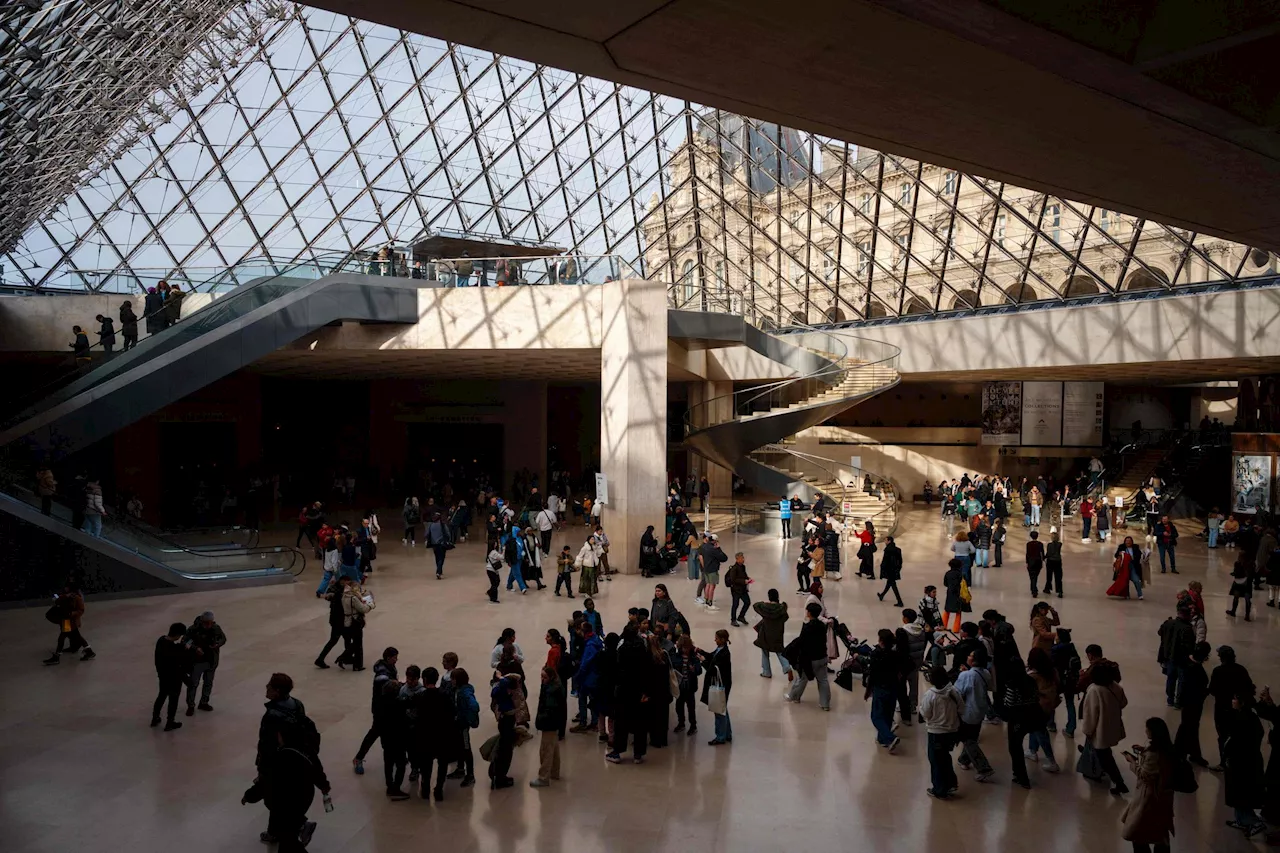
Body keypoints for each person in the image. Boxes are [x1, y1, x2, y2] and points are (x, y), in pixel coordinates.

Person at [243, 690, 331, 852]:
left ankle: (298, 828)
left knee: (288, 841)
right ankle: (288, 829)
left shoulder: (281, 757)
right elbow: (316, 769)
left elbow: (266, 782)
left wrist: (249, 796)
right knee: (287, 834)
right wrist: (324, 785)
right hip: (304, 796)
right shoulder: (305, 750)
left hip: (288, 799)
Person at [1120, 718, 1177, 852]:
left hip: (1149, 798)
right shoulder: (1167, 748)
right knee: (1160, 832)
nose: (1145, 731)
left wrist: (1132, 761)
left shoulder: (1153, 754)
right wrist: (1144, 750)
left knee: (1139, 834)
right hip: (1163, 796)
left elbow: (1145, 775)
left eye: (1147, 729)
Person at [404, 666, 456, 801]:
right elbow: (452, 713)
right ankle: (439, 789)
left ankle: (425, 789)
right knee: (442, 764)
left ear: (424, 680)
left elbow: (408, 710)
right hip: (442, 735)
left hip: (424, 736)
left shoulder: (419, 696)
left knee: (426, 765)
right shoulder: (444, 695)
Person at [1223, 691, 1268, 838]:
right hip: (1245, 760)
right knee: (1238, 792)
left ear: (1242, 702)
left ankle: (1252, 821)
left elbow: (1238, 740)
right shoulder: (1247, 716)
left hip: (1243, 762)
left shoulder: (1244, 719)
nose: (1232, 701)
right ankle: (1241, 819)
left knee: (1241, 792)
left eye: (1235, 699)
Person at [1081, 662, 1130, 794]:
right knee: (1104, 752)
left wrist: (1087, 731)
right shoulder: (1116, 686)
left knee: (1104, 755)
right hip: (1112, 725)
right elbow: (1123, 703)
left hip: (1099, 729)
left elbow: (1090, 714)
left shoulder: (1094, 690)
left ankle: (1119, 782)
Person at [352, 647, 398, 778]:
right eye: (394, 657)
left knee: (389, 732)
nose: (396, 660)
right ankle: (358, 758)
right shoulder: (382, 674)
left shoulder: (389, 667)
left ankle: (393, 756)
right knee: (375, 733)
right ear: (388, 658)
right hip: (381, 709)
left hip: (386, 707)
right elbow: (387, 684)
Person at [1208, 645, 1254, 772]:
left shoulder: (1218, 671)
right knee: (1238, 735)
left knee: (1223, 736)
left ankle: (1224, 762)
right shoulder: (1241, 670)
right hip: (1238, 709)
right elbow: (1249, 687)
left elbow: (1212, 690)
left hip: (1222, 709)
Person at [920, 665, 962, 798]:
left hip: (935, 733)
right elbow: (962, 708)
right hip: (951, 731)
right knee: (945, 757)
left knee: (935, 761)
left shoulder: (930, 694)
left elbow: (925, 713)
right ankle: (950, 783)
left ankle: (939, 789)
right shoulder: (954, 691)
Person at [954, 647, 995, 782]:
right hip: (980, 709)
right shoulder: (985, 673)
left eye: (971, 655)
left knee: (967, 738)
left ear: (975, 660)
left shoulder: (966, 676)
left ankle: (983, 768)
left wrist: (963, 674)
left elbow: (958, 692)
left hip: (968, 711)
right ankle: (964, 759)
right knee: (972, 735)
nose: (968, 657)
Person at [784, 602, 831, 711]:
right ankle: (825, 704)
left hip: (810, 659)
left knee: (802, 678)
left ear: (809, 613)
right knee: (823, 680)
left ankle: (794, 697)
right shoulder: (822, 626)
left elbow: (802, 642)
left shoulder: (807, 627)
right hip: (822, 656)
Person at [863, 629, 902, 752]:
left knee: (876, 716)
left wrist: (868, 690)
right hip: (893, 687)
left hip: (881, 687)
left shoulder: (876, 654)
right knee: (888, 714)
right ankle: (882, 739)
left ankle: (890, 738)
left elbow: (873, 674)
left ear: (881, 640)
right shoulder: (896, 654)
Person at [1175, 641, 1211, 767]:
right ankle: (1184, 754)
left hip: (1188, 702)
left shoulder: (1186, 662)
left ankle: (1186, 753)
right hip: (1193, 703)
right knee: (1189, 727)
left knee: (1188, 726)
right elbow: (1194, 688)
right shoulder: (1194, 670)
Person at [530, 665, 566, 788]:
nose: (542, 679)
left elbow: (549, 709)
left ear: (550, 677)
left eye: (544, 677)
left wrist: (541, 719)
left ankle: (543, 777)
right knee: (554, 748)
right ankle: (554, 772)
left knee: (545, 750)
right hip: (555, 723)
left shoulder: (551, 691)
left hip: (549, 723)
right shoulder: (555, 687)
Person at [183, 610, 226, 715]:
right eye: (206, 623)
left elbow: (223, 639)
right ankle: (191, 705)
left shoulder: (216, 628)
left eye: (210, 622)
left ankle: (204, 702)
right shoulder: (193, 629)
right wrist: (195, 648)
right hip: (197, 662)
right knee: (193, 684)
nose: (208, 625)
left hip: (211, 661)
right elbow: (185, 642)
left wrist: (217, 644)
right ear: (201, 621)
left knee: (208, 683)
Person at [43, 581, 95, 665]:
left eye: (67, 587)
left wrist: (71, 613)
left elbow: (81, 610)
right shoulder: (66, 595)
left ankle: (56, 657)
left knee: (62, 638)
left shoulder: (77, 597)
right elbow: (58, 602)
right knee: (77, 637)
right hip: (67, 621)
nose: (65, 588)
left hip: (69, 621)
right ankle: (89, 652)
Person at [151, 622, 190, 731]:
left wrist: (180, 647)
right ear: (178, 634)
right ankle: (170, 722)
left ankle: (155, 717)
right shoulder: (175, 651)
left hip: (162, 676)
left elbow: (171, 648)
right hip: (174, 679)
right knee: (173, 700)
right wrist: (184, 649)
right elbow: (179, 663)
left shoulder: (161, 641)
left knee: (161, 696)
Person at [488, 673, 523, 789]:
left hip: (503, 721)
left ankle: (498, 774)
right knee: (506, 751)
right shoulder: (511, 693)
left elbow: (495, 691)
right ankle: (500, 777)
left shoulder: (499, 692)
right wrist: (502, 679)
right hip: (508, 721)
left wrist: (500, 678)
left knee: (502, 747)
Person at [698, 629, 733, 745]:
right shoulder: (720, 650)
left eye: (717, 638)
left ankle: (720, 736)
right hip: (723, 683)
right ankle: (727, 733)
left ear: (722, 640)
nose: (715, 640)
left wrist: (703, 661)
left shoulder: (724, 654)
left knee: (719, 710)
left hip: (721, 684)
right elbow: (711, 656)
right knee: (723, 708)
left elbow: (713, 669)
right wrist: (701, 652)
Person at [1157, 606, 1195, 708]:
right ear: (1187, 615)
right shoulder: (1187, 628)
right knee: (1182, 681)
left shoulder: (1168, 623)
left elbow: (1159, 632)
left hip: (1169, 657)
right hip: (1182, 659)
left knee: (1171, 678)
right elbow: (1189, 646)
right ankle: (1178, 702)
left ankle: (1170, 699)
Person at [753, 589, 791, 678]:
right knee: (779, 651)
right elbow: (785, 617)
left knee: (765, 651)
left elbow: (755, 605)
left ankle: (766, 672)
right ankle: (787, 667)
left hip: (765, 633)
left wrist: (763, 602)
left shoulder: (765, 607)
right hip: (777, 633)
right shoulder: (781, 608)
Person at [337, 577, 372, 671]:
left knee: (355, 643)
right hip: (355, 622)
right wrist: (370, 605)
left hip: (347, 621)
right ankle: (356, 664)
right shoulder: (354, 599)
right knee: (358, 644)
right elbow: (363, 609)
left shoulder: (344, 596)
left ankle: (345, 659)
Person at [672, 634, 702, 735]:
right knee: (679, 706)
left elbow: (699, 671)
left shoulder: (694, 658)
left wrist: (694, 670)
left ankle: (693, 725)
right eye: (683, 648)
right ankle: (681, 723)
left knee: (691, 707)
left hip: (690, 686)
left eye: (687, 648)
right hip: (680, 686)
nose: (685, 650)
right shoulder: (676, 657)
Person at [877, 535, 904, 606]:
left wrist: (882, 569)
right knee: (889, 583)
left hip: (889, 570)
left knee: (893, 585)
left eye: (886, 540)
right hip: (895, 570)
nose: (884, 541)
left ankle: (900, 601)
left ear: (889, 541)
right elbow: (900, 561)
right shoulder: (898, 550)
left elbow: (885, 561)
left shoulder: (887, 550)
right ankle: (882, 595)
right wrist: (898, 569)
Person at [725, 552, 751, 627]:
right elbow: (733, 580)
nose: (743, 559)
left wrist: (747, 579)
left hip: (743, 589)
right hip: (736, 590)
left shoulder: (743, 567)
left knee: (747, 602)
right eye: (741, 558)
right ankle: (733, 620)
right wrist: (743, 581)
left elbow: (744, 575)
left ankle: (741, 616)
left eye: (743, 557)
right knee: (735, 605)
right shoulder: (734, 569)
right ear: (737, 559)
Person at [942, 558, 965, 632]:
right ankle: (956, 628)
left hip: (950, 593)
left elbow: (945, 583)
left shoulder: (948, 573)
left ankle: (943, 625)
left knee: (947, 610)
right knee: (958, 612)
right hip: (958, 594)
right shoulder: (960, 574)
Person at [1043, 530, 1064, 597]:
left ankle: (1048, 588)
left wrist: (1044, 557)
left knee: (1049, 576)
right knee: (1058, 576)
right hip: (1057, 561)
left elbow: (1049, 553)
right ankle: (1059, 591)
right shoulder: (1060, 544)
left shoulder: (1049, 545)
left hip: (1050, 561)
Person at [1025, 530, 1045, 597]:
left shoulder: (1028, 544)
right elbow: (1042, 553)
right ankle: (1034, 589)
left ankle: (1033, 590)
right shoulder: (1040, 544)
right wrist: (1043, 560)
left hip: (1031, 562)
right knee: (1035, 576)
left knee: (1032, 577)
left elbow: (1027, 554)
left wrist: (1027, 562)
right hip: (1038, 562)